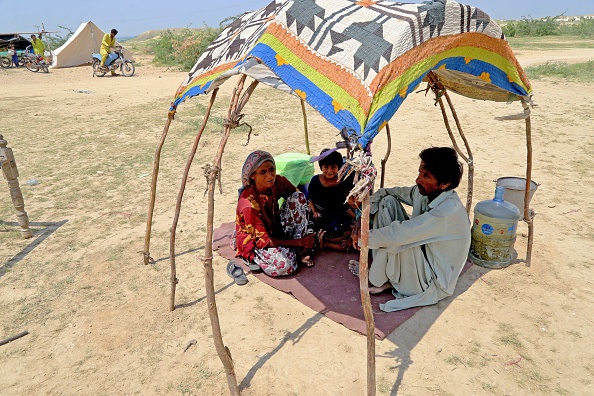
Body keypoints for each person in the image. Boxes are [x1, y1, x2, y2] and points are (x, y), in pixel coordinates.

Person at [349, 147, 471, 312]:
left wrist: (363, 237)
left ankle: (379, 277)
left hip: (430, 283)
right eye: (420, 173)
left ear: (444, 184)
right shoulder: (425, 192)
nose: (417, 179)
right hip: (422, 260)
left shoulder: (447, 211)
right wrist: (363, 218)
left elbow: (399, 234)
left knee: (398, 238)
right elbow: (387, 192)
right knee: (387, 202)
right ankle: (386, 276)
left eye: (426, 176)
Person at [235, 150, 316, 276]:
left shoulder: (277, 182)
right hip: (257, 240)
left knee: (298, 197)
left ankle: (297, 249)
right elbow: (264, 241)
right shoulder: (248, 204)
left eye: (271, 170)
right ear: (252, 176)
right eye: (263, 172)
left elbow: (297, 198)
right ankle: (297, 249)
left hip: (274, 227)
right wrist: (299, 242)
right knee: (285, 266)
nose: (270, 176)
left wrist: (305, 228)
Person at [308, 148, 356, 251]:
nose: (329, 171)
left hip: (337, 215)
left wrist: (357, 218)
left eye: (333, 167)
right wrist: (314, 211)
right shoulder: (315, 180)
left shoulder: (342, 183)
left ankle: (325, 242)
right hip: (320, 214)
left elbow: (345, 205)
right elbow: (310, 198)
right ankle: (325, 240)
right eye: (326, 167)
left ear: (338, 167)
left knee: (344, 233)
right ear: (321, 167)